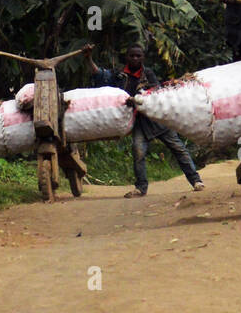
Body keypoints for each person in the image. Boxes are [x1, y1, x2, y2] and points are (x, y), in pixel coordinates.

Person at [83, 42, 204, 198]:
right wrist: (88, 58)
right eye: (132, 55)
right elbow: (100, 75)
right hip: (139, 123)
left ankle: (196, 181)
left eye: (138, 56)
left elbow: (156, 92)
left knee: (178, 149)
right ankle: (141, 188)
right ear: (126, 57)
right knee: (138, 152)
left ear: (143, 58)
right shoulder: (119, 75)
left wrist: (137, 99)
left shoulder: (148, 74)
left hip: (157, 119)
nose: (135, 58)